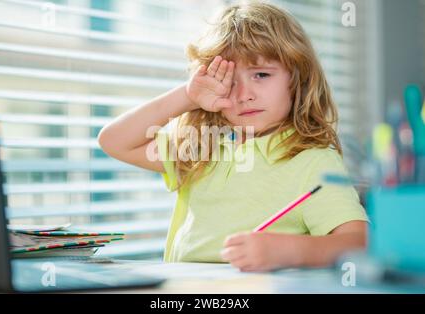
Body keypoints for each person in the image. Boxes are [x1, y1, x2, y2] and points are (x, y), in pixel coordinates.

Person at [97, 2, 368, 272]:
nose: (244, 94)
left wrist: (287, 250)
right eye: (229, 81)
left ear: (298, 78)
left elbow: (358, 242)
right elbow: (114, 141)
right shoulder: (202, 145)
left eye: (261, 74)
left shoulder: (313, 160)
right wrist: (188, 97)